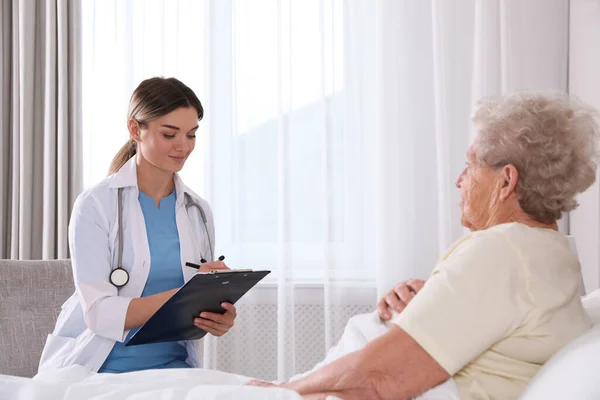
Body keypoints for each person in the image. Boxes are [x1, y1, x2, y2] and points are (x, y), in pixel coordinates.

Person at [250, 91, 599, 399]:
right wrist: (430, 304)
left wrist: (280, 391)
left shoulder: (500, 251)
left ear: (506, 180)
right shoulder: (553, 253)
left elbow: (377, 380)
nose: (460, 181)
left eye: (471, 165)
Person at [38, 77, 236, 373]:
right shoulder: (95, 206)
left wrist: (217, 315)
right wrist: (184, 297)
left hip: (175, 368)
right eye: (170, 135)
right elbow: (99, 313)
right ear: (135, 129)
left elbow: (193, 315)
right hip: (101, 369)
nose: (183, 146)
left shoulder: (198, 211)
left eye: (191, 135)